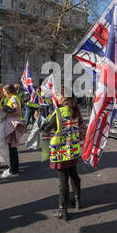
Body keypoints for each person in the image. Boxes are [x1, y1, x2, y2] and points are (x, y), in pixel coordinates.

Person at [36, 88, 82, 221]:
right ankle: (78, 202)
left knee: (63, 182)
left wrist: (38, 119)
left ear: (64, 98)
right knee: (74, 175)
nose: (56, 96)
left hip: (61, 151)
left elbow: (45, 128)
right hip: (73, 149)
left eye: (58, 95)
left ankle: (63, 211)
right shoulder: (75, 110)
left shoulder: (58, 112)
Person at [1, 84, 24, 178]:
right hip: (11, 125)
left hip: (12, 126)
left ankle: (14, 170)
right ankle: (13, 168)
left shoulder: (13, 98)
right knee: (11, 148)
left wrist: (6, 113)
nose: (3, 93)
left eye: (4, 91)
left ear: (8, 91)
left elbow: (17, 111)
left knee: (12, 148)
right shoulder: (12, 98)